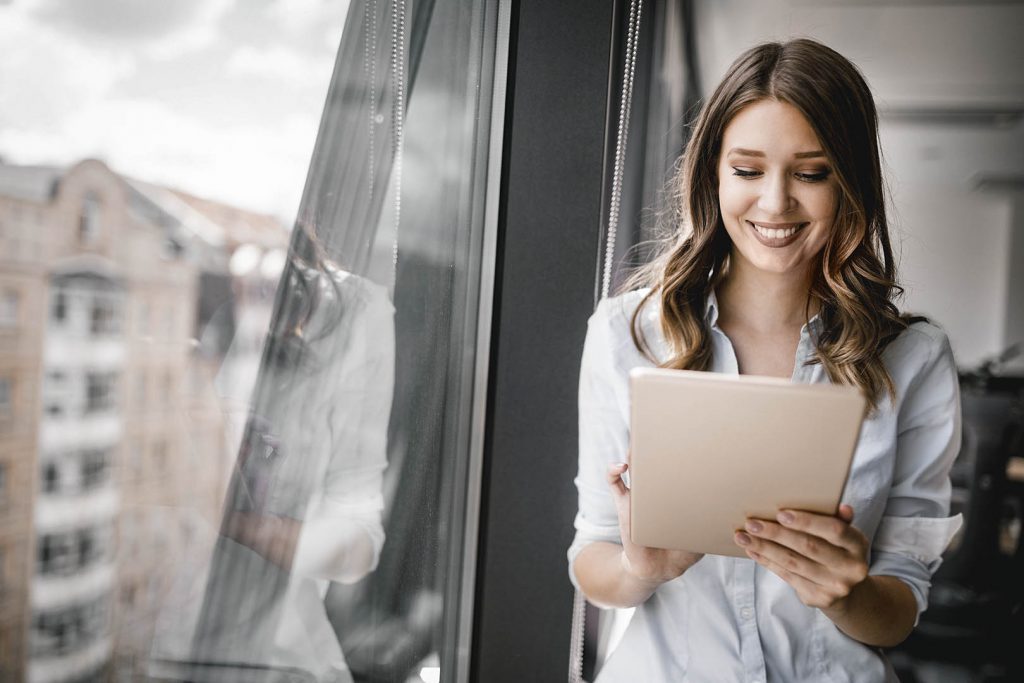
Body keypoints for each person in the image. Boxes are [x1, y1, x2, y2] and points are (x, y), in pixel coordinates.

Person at [568, 38, 963, 682]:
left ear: (850, 181)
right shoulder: (627, 334)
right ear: (712, 175)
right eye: (747, 171)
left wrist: (847, 594)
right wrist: (642, 568)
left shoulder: (913, 358)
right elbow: (593, 557)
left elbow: (899, 607)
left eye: (811, 173)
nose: (775, 203)